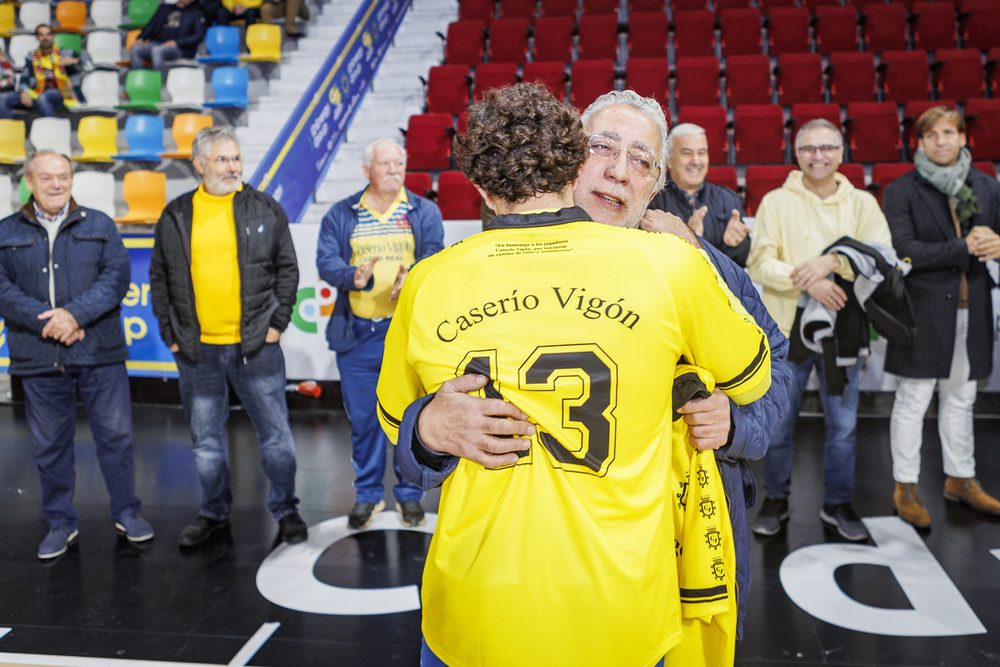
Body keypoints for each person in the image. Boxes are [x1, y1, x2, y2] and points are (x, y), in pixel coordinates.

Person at [377, 82, 773, 666]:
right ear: (571, 161)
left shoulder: (432, 279)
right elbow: (755, 375)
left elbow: (391, 423)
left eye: (641, 160)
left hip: (479, 603)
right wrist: (430, 429)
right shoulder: (673, 266)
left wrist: (420, 426)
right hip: (624, 602)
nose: (618, 172)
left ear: (482, 190)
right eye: (604, 149)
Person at [149, 127, 307, 548]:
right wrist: (171, 333)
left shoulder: (264, 208)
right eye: (222, 160)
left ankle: (286, 509)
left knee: (276, 437)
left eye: (236, 158)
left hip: (256, 348)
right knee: (206, 442)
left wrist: (276, 325)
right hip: (197, 351)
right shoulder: (176, 214)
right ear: (198, 164)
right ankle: (214, 512)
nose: (233, 167)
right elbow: (159, 276)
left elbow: (288, 270)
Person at [0, 151, 153, 559]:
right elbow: (2, 289)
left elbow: (117, 277)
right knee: (49, 443)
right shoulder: (5, 231)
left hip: (99, 349)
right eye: (46, 177)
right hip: (38, 352)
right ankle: (60, 522)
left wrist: (74, 315)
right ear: (29, 182)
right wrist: (48, 322)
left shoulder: (100, 224)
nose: (56, 184)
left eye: (63, 176)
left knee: (116, 437)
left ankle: (126, 512)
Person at [748, 118, 892, 542]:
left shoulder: (863, 203)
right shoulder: (776, 201)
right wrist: (807, 278)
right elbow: (760, 262)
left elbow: (882, 257)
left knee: (844, 426)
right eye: (809, 148)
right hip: (786, 331)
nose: (818, 155)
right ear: (797, 153)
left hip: (844, 329)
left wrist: (835, 263)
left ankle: (838, 503)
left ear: (841, 153)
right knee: (779, 424)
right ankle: (776, 498)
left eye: (827, 147)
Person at [316, 138, 444, 530]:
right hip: (359, 335)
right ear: (366, 170)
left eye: (399, 163)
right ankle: (368, 496)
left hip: (406, 335)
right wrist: (350, 276)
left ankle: (409, 496)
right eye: (385, 163)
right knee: (364, 421)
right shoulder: (342, 213)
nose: (394, 169)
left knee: (410, 418)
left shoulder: (423, 210)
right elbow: (326, 260)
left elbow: (436, 255)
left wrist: (415, 275)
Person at [883, 106, 1000, 527]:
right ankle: (905, 487)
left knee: (961, 399)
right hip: (922, 312)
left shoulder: (986, 187)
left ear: (963, 138)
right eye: (932, 135)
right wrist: (966, 247)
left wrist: (997, 244)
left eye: (949, 133)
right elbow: (904, 249)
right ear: (921, 143)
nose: (942, 141)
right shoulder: (902, 191)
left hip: (975, 310)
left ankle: (961, 479)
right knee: (913, 400)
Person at [647, 123, 752, 267]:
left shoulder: (727, 199)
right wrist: (687, 239)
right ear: (669, 160)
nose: (696, 161)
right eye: (687, 153)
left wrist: (736, 245)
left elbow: (741, 263)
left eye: (702, 153)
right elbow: (648, 261)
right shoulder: (652, 201)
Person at [0, 25, 83, 119]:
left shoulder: (67, 53)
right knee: (3, 98)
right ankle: (5, 131)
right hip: (36, 92)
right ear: (37, 37)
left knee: (44, 97)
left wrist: (76, 61)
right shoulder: (31, 56)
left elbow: (89, 65)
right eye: (41, 35)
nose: (45, 38)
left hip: (62, 93)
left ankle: (48, 130)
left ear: (53, 36)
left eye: (48, 34)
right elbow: (24, 77)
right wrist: (23, 92)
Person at [129, 0, 206, 75]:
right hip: (158, 43)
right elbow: (151, 26)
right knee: (136, 49)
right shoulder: (164, 8)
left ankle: (159, 83)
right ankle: (138, 78)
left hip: (180, 49)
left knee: (157, 51)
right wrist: (141, 38)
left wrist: (177, 43)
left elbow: (198, 36)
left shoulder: (196, 13)